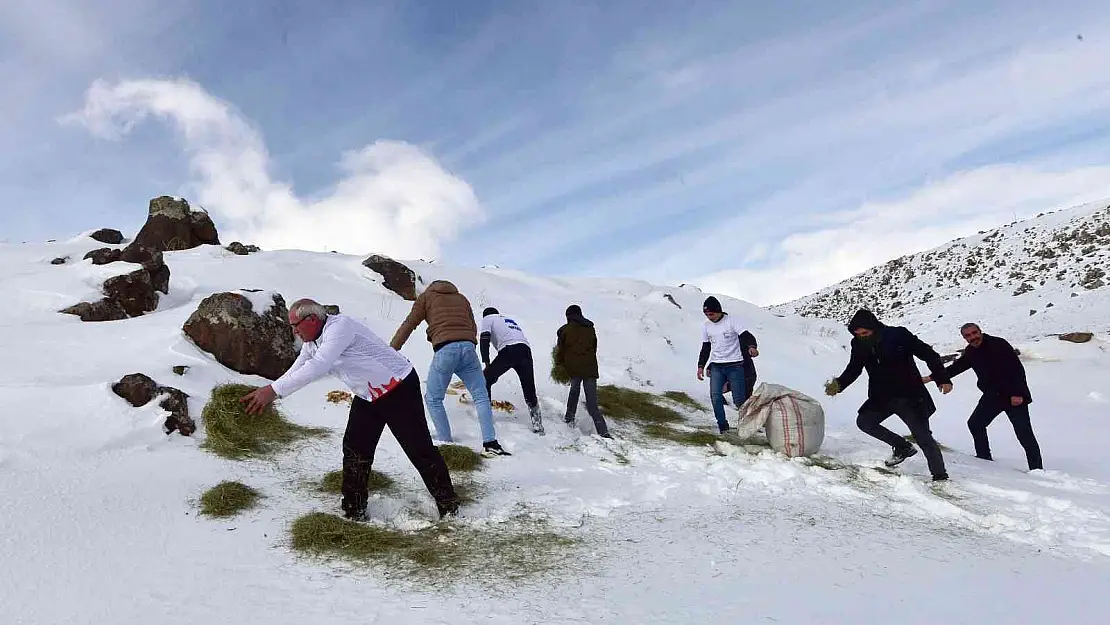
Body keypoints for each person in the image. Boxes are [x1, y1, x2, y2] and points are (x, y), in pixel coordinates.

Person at [240, 299, 459, 521]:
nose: (294, 331)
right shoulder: (312, 342)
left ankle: (448, 506)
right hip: (369, 393)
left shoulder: (340, 327)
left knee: (418, 449)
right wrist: (270, 391)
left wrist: (273, 390)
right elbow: (300, 366)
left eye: (296, 325)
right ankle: (354, 510)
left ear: (312, 319)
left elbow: (319, 366)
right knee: (355, 448)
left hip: (398, 387)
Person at [824, 309, 953, 481]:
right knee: (865, 422)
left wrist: (942, 378)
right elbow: (854, 368)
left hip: (910, 395)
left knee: (922, 436)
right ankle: (902, 447)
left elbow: (928, 354)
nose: (862, 336)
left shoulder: (898, 335)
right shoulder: (858, 344)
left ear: (874, 327)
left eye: (865, 333)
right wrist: (839, 385)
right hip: (882, 397)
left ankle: (940, 476)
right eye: (858, 334)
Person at [389, 280, 509, 457]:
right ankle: (490, 442)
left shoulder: (426, 298)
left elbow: (409, 324)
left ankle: (445, 440)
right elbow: (472, 324)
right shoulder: (462, 298)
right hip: (468, 349)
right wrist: (468, 343)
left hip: (446, 349)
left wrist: (392, 349)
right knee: (481, 396)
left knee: (433, 398)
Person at [924, 323, 1043, 471]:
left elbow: (1016, 369)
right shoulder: (971, 352)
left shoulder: (998, 344)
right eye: (968, 335)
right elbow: (957, 367)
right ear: (964, 338)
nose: (973, 337)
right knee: (975, 424)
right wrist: (931, 378)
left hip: (1013, 396)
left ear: (980, 331)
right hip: (992, 396)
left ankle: (1036, 469)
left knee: (1024, 433)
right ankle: (984, 459)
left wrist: (1017, 394)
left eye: (974, 333)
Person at [480, 307, 544, 435]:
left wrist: (487, 364)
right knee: (529, 388)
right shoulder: (507, 320)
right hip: (525, 350)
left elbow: (484, 339)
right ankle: (537, 424)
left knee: (485, 380)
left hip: (509, 350)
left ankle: (486, 417)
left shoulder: (488, 319)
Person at [695, 296, 753, 434]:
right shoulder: (706, 326)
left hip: (735, 365)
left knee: (739, 400)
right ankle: (723, 427)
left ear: (719, 311)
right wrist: (701, 366)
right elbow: (706, 347)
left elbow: (746, 335)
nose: (709, 317)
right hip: (717, 366)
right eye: (706, 314)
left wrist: (752, 346)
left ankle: (749, 424)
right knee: (715, 397)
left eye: (711, 314)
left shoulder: (731, 321)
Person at [554, 304, 612, 438]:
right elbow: (594, 347)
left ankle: (569, 419)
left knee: (574, 392)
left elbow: (560, 351)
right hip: (590, 368)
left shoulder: (565, 330)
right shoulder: (590, 328)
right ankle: (603, 431)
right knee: (592, 403)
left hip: (574, 368)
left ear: (568, 316)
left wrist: (559, 364)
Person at [719, 329, 759, 405]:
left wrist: (752, 347)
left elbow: (749, 338)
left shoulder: (739, 333)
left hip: (747, 373)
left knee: (745, 401)